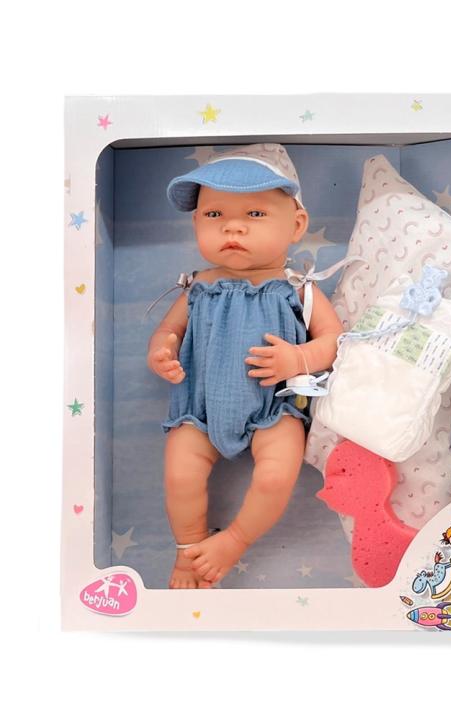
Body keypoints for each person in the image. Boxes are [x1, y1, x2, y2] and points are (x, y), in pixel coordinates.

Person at [147, 144, 344, 589]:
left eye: (255, 214)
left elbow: (334, 342)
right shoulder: (199, 286)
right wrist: (162, 351)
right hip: (198, 409)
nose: (232, 226)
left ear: (296, 225)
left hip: (275, 408)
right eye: (214, 214)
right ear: (196, 223)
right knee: (179, 475)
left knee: (275, 476)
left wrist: (298, 358)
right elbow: (168, 331)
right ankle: (189, 549)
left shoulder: (297, 287)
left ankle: (234, 540)